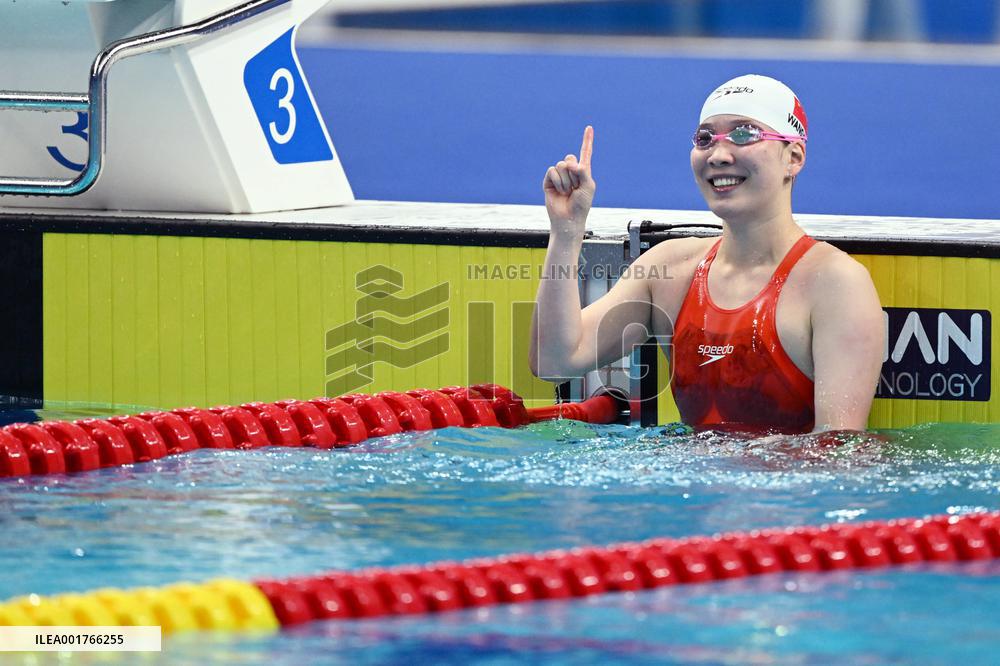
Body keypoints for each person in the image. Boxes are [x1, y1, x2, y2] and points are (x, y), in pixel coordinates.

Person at [529, 74, 884, 434]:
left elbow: (838, 452)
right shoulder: (668, 269)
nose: (718, 154)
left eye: (745, 134)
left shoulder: (835, 284)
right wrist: (566, 232)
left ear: (793, 157)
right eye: (705, 138)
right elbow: (555, 359)